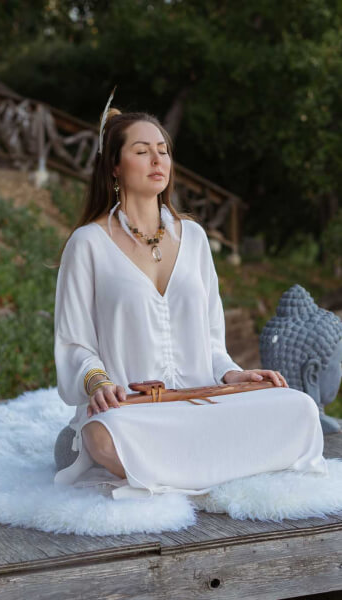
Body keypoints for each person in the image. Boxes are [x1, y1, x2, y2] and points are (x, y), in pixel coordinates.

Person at [53, 100, 328, 500]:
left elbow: (213, 341)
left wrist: (234, 375)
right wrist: (98, 382)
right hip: (136, 412)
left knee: (299, 407)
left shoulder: (194, 239)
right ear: (114, 166)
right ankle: (220, 465)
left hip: (205, 402)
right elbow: (74, 342)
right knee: (102, 438)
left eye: (163, 150)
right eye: (142, 150)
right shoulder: (88, 244)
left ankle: (178, 470)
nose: (157, 159)